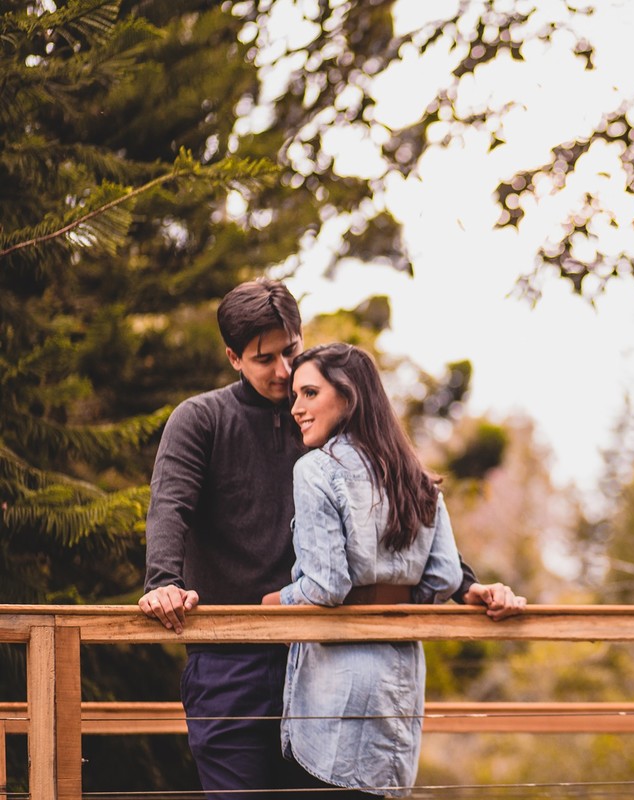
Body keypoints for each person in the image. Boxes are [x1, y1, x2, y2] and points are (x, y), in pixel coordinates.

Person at [138, 278, 525, 799]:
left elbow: (401, 505)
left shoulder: (330, 425)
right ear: (233, 358)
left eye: (290, 352)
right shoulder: (201, 419)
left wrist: (466, 586)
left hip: (322, 659)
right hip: (232, 659)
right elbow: (171, 505)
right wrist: (162, 582)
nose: (282, 372)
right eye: (263, 359)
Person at [260, 343, 459, 796]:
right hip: (400, 677)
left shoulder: (317, 470)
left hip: (339, 685)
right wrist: (395, 600)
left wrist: (275, 601)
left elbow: (327, 586)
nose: (296, 408)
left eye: (309, 393)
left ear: (348, 397)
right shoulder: (418, 478)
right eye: (295, 395)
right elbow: (444, 577)